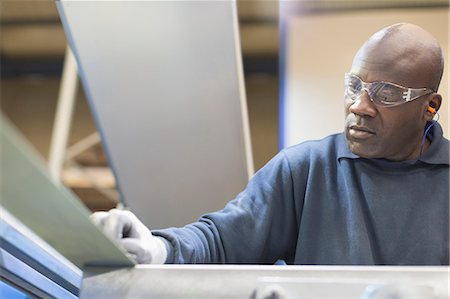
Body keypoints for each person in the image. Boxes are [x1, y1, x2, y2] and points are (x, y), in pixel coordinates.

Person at [92, 23, 449, 265]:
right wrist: (156, 247)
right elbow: (222, 240)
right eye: (355, 86)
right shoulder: (306, 170)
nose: (359, 106)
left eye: (384, 94)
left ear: (429, 107)